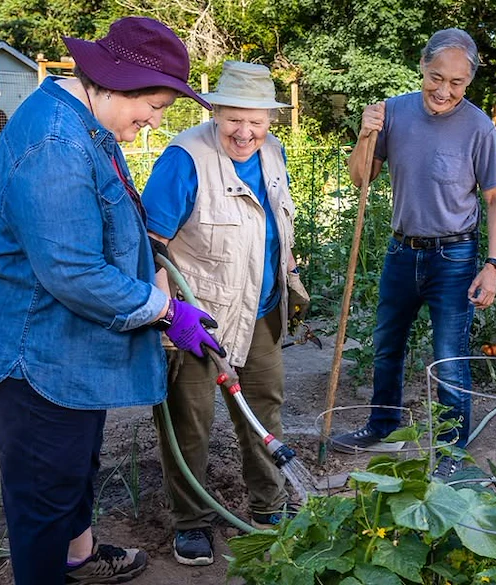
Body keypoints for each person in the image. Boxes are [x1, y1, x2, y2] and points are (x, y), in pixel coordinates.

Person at [0, 16, 223, 585]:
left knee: (74, 462)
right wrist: (165, 311)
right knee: (44, 491)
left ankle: (77, 556)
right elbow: (73, 272)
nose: (153, 122)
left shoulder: (84, 123)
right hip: (27, 344)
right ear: (116, 82)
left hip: (62, 339)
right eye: (156, 105)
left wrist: (154, 282)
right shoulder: (55, 142)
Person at [142, 60, 311, 566]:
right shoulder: (184, 158)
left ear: (270, 120)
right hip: (198, 318)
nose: (245, 132)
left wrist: (289, 270)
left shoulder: (273, 152)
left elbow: (272, 222)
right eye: (234, 118)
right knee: (190, 422)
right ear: (215, 111)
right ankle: (190, 522)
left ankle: (268, 507)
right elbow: (151, 246)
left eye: (256, 120)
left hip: (260, 308)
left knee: (264, 407)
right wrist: (171, 315)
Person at [332, 28, 496, 480]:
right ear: (423, 67)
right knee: (386, 345)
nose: (444, 90)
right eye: (436, 77)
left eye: (456, 83)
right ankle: (382, 425)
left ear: (467, 84)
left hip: (454, 257)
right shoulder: (393, 112)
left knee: (449, 356)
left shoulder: (478, 127)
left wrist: (492, 265)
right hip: (401, 251)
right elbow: (360, 178)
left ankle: (452, 450)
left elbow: (495, 200)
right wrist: (365, 134)